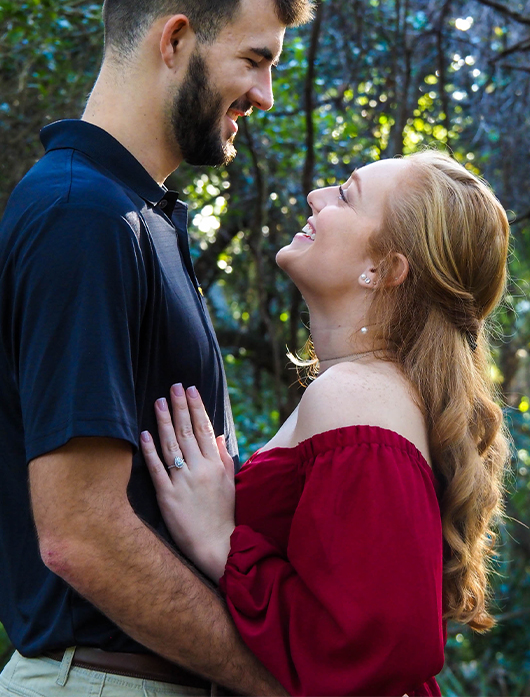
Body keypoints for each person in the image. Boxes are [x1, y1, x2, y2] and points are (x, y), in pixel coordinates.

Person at [0, 0, 313, 697]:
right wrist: (274, 684)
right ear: (174, 41)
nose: (266, 94)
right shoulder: (83, 217)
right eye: (255, 59)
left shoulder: (137, 218)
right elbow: (81, 534)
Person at [142, 152, 511, 697]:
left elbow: (378, 643)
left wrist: (220, 541)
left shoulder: (357, 396)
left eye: (346, 194)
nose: (317, 197)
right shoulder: (368, 392)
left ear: (385, 269)